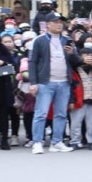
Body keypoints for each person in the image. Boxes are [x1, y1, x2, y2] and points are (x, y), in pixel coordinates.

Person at [25, 12, 78, 153]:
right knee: (40, 113)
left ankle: (57, 141)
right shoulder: (39, 40)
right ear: (48, 24)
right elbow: (32, 62)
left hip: (64, 82)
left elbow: (76, 62)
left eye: (61, 22)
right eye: (56, 22)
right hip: (45, 82)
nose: (59, 24)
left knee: (61, 114)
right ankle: (37, 142)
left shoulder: (67, 40)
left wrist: (73, 53)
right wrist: (33, 82)